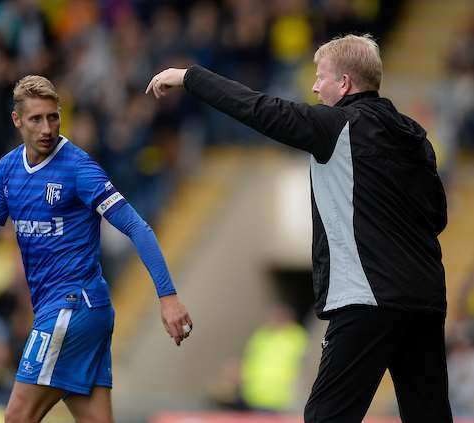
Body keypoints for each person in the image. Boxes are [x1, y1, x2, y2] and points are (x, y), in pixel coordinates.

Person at [146, 34, 451, 423]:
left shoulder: (335, 125)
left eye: (320, 76)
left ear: (344, 84)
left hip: (366, 295)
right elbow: (437, 216)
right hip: (424, 298)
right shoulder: (414, 136)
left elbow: (257, 108)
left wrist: (189, 77)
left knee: (326, 416)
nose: (313, 86)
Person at [0, 75, 193, 423]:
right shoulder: (8, 171)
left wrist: (168, 296)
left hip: (72, 307)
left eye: (53, 117)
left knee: (17, 417)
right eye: (36, 119)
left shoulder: (78, 168)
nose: (47, 128)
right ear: (17, 120)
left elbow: (136, 226)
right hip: (80, 311)